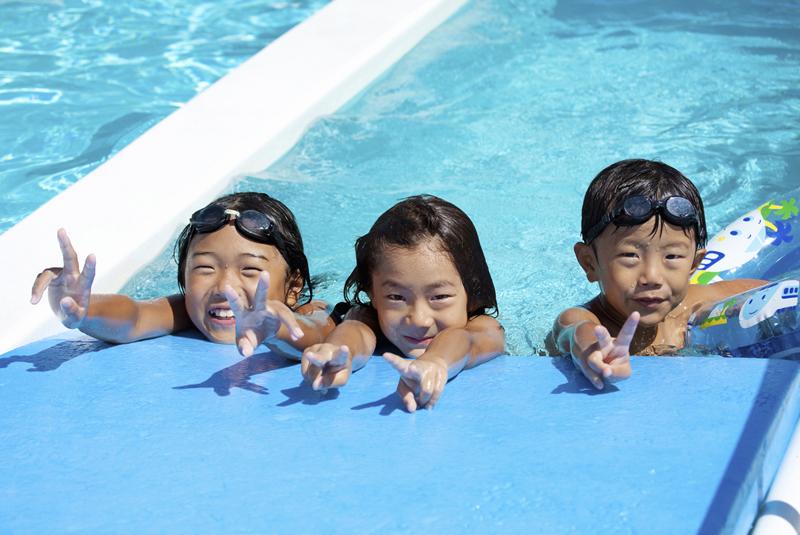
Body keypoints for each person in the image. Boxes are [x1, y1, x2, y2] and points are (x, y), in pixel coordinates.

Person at [30, 192, 336, 359]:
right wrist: (83, 310)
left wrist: (276, 329)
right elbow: (135, 316)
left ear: (294, 287)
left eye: (250, 270)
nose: (224, 286)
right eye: (205, 268)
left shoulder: (310, 310)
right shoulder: (191, 309)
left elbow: (319, 332)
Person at [550, 159, 765, 389]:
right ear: (589, 263)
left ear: (694, 265)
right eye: (630, 255)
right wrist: (594, 349)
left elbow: (769, 290)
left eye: (672, 257)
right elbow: (574, 332)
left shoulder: (694, 303)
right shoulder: (585, 318)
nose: (652, 277)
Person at [300, 195, 506, 412]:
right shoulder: (371, 318)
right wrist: (338, 352)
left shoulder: (486, 327)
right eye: (397, 297)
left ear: (471, 291)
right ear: (372, 292)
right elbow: (355, 329)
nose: (419, 319)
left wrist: (436, 361)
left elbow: (465, 340)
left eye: (439, 297)